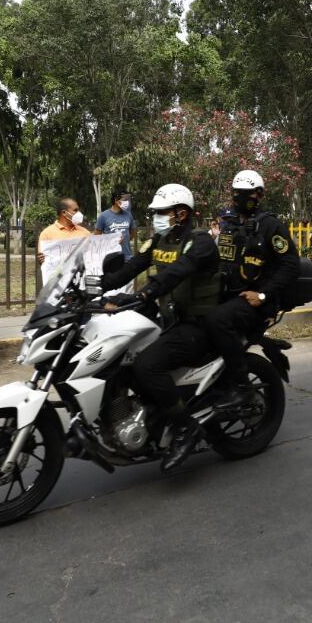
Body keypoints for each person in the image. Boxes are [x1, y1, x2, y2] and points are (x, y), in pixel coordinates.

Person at [100, 183, 221, 473]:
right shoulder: (158, 240)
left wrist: (143, 294)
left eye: (160, 213)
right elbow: (131, 268)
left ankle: (185, 428)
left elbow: (176, 273)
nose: (155, 217)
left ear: (180, 214)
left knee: (146, 366)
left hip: (197, 325)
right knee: (122, 361)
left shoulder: (199, 242)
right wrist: (92, 286)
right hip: (169, 320)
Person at [207, 170, 300, 409]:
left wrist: (263, 294)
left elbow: (290, 266)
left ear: (259, 195)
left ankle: (241, 386)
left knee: (218, 321)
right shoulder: (229, 225)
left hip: (255, 300)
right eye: (236, 193)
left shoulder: (270, 226)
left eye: (246, 194)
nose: (239, 198)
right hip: (230, 293)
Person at [37, 197, 90, 264]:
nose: (79, 213)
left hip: (80, 273)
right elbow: (42, 259)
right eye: (75, 210)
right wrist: (41, 259)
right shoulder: (47, 234)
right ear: (64, 213)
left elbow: (93, 254)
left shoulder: (85, 232)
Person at [94, 188, 136, 257]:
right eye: (124, 200)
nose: (127, 202)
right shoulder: (103, 216)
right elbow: (96, 239)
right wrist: (111, 241)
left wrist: (126, 238)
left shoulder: (128, 215)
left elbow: (132, 233)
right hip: (110, 259)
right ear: (116, 200)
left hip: (127, 258)